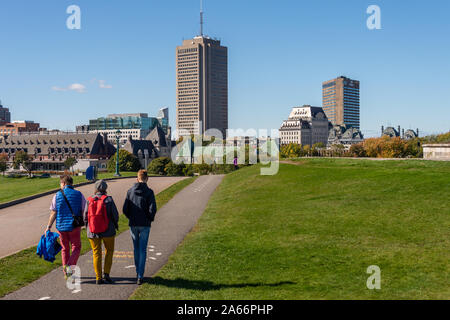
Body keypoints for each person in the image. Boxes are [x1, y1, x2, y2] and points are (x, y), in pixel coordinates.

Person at [46, 174, 86, 280]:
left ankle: (66, 272)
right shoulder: (79, 194)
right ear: (71, 183)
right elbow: (84, 210)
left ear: (63, 183)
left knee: (65, 249)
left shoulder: (57, 195)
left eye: (60, 183)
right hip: (74, 226)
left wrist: (48, 226)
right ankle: (69, 266)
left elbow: (53, 212)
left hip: (61, 227)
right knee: (76, 247)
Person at [123, 170, 157, 285]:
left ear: (137, 178)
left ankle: (137, 272)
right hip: (145, 224)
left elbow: (125, 209)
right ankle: (140, 275)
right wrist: (149, 218)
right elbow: (152, 209)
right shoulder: (149, 192)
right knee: (142, 249)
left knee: (136, 248)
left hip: (133, 223)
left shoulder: (130, 192)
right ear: (147, 179)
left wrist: (131, 217)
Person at [84, 180, 119, 285]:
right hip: (108, 231)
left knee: (96, 253)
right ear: (105, 189)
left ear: (95, 188)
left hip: (93, 232)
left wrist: (88, 228)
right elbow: (115, 216)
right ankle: (107, 274)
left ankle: (98, 277)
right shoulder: (109, 199)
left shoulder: (89, 200)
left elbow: (85, 217)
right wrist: (114, 224)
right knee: (109, 251)